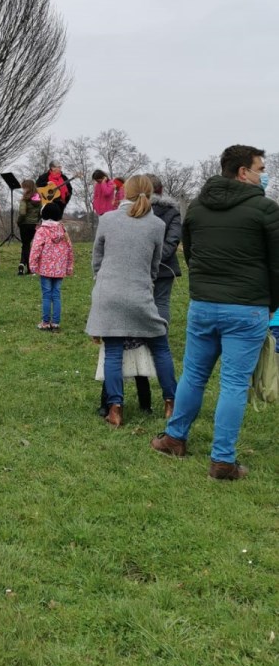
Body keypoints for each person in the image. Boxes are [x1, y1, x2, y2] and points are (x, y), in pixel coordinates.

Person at [152, 144, 279, 479]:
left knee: (194, 375)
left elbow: (191, 253)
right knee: (234, 383)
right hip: (247, 307)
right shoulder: (266, 210)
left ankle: (175, 438)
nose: (263, 174)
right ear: (242, 172)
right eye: (260, 168)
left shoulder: (196, 208)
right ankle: (222, 460)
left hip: (204, 305)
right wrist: (271, 305)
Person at [86, 175, 176, 428]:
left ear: (125, 192)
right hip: (140, 293)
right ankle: (171, 402)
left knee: (113, 353)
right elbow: (155, 265)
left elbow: (97, 258)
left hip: (108, 293)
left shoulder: (107, 219)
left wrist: (102, 279)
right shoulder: (157, 225)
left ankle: (115, 409)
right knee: (160, 347)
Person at [28, 201, 74, 331]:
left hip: (45, 269)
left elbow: (35, 249)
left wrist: (33, 265)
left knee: (47, 295)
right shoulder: (63, 230)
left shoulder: (41, 231)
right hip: (59, 269)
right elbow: (70, 248)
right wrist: (69, 266)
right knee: (56, 295)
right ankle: (56, 322)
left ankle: (45, 322)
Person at [148, 175, 182, 323]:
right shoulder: (173, 212)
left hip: (141, 265)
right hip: (164, 265)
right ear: (160, 190)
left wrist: (145, 259)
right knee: (161, 303)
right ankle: (160, 341)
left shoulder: (134, 212)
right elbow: (173, 241)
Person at [17, 179, 42, 276]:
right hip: (35, 225)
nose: (23, 189)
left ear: (27, 188)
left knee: (25, 245)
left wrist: (19, 221)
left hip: (25, 224)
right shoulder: (39, 199)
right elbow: (41, 213)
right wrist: (37, 221)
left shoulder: (24, 200)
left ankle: (23, 264)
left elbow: (22, 213)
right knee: (31, 245)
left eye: (23, 187)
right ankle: (29, 267)